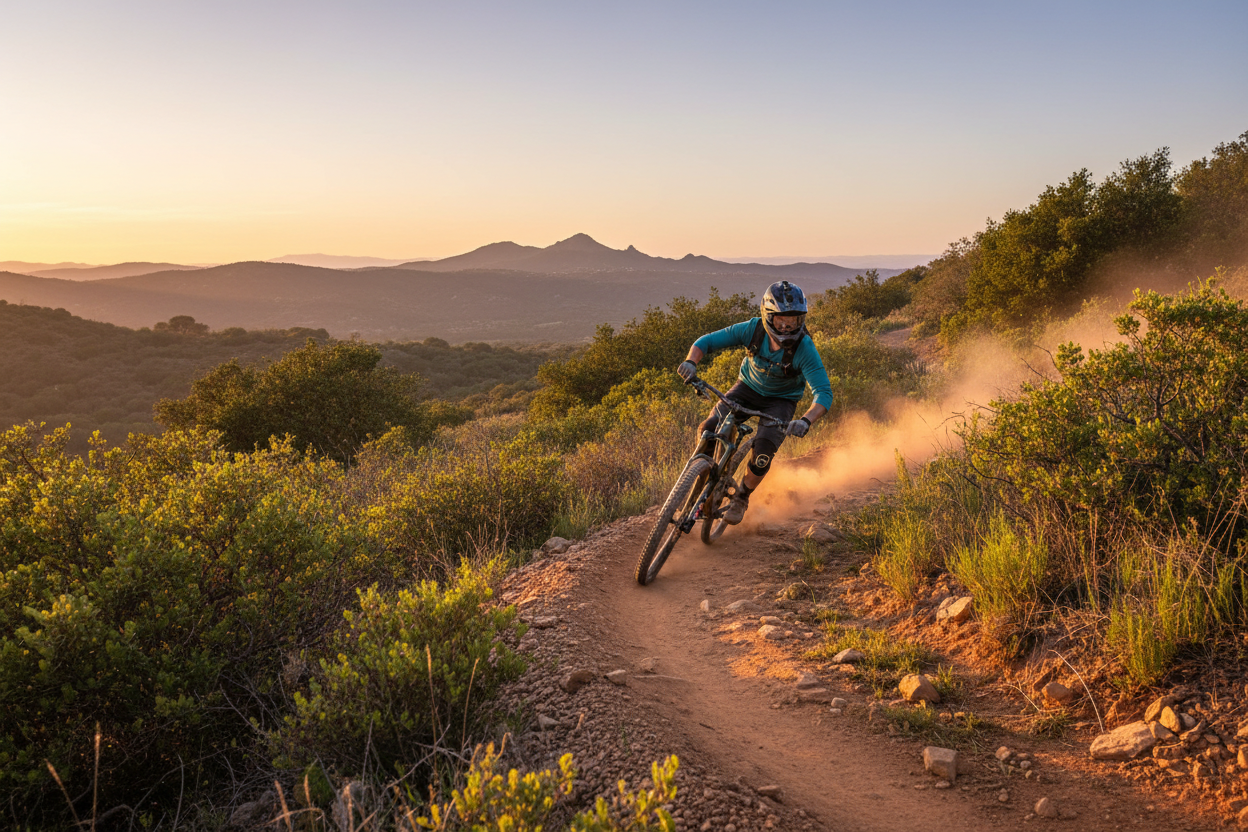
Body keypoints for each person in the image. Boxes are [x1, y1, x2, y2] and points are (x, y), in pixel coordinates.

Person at [676, 280, 833, 524]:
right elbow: (705, 342)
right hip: (747, 388)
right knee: (708, 429)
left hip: (781, 401)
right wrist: (691, 362)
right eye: (781, 319)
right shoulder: (753, 329)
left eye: (795, 320)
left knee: (763, 454)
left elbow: (823, 392)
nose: (788, 326)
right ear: (768, 316)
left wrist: (805, 420)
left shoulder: (805, 348)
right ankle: (703, 480)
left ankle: (742, 497)